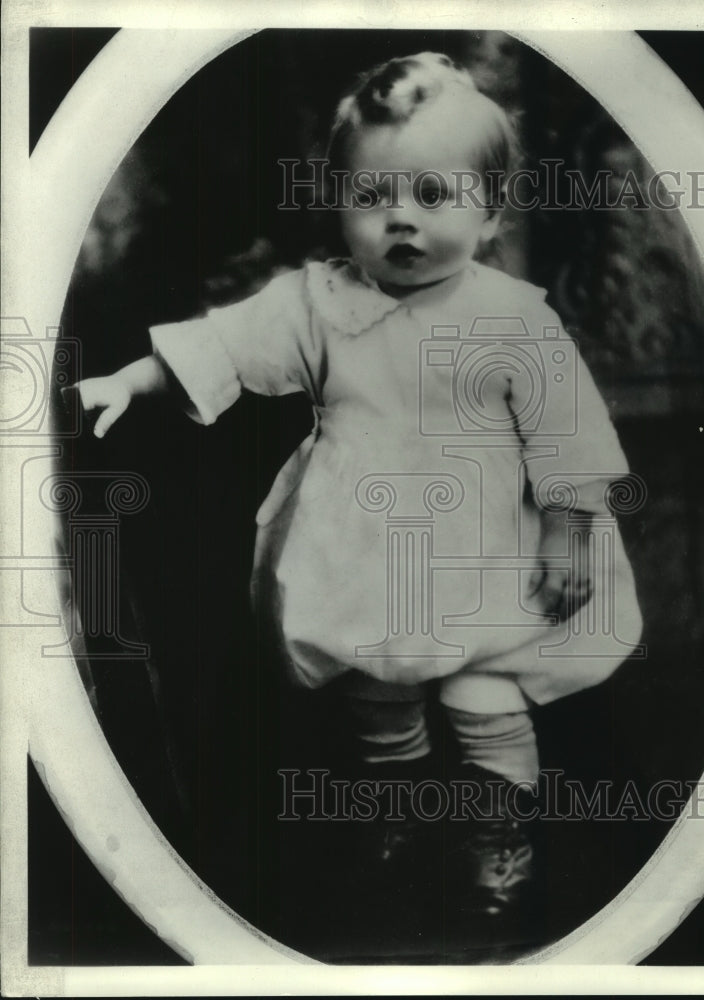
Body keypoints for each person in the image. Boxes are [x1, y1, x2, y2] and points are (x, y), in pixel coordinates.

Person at [75, 52, 642, 924]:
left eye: (431, 197)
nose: (399, 223)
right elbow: (221, 343)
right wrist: (130, 381)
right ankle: (402, 819)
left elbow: (565, 429)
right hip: (362, 545)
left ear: (489, 211)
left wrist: (569, 529)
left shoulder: (512, 316)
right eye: (371, 198)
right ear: (338, 200)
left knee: (481, 692)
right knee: (376, 692)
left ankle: (499, 836)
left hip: (481, 548)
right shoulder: (318, 302)